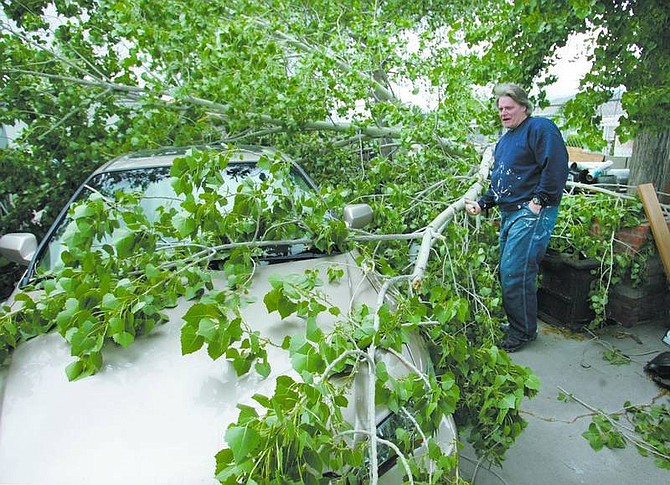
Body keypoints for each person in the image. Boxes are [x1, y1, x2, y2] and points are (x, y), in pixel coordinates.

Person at [465, 83, 569, 352]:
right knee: (509, 270)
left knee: (515, 271)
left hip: (531, 212)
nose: (503, 112)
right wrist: (482, 203)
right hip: (510, 212)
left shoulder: (540, 129)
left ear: (524, 106)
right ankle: (522, 325)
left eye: (508, 107)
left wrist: (538, 202)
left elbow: (556, 167)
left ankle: (520, 332)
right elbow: (500, 184)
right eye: (500, 108)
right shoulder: (504, 142)